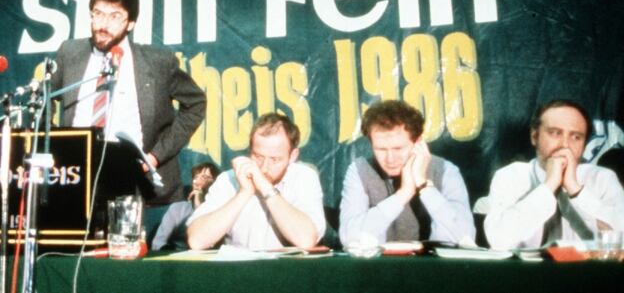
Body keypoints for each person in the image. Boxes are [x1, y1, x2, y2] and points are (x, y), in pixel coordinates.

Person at [52, 0, 206, 206]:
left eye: (115, 16)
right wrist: (58, 149)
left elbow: (195, 104)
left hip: (137, 182)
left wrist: (155, 156)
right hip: (78, 179)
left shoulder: (158, 62)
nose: (103, 24)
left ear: (131, 23)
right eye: (98, 13)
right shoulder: (70, 52)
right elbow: (44, 100)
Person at [484, 99, 624, 249]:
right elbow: (498, 240)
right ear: (534, 136)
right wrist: (549, 186)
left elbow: (621, 239)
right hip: (527, 272)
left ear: (584, 145)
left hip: (586, 271)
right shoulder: (510, 176)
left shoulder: (602, 179)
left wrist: (576, 190)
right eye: (555, 133)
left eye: (576, 137)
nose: (565, 144)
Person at [338, 100, 475, 247]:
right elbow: (349, 238)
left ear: (418, 143)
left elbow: (464, 237)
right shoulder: (359, 171)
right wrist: (403, 194)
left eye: (398, 149)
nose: (390, 159)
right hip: (379, 267)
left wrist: (424, 186)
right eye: (381, 149)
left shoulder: (446, 170)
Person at [186, 113, 326, 250]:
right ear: (250, 151)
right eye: (258, 156)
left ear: (292, 156)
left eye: (274, 159)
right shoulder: (229, 179)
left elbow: (306, 240)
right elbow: (196, 241)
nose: (264, 168)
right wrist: (244, 192)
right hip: (239, 271)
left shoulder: (304, 177)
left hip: (286, 271)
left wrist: (266, 188)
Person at [151, 161, 220, 250]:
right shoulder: (177, 209)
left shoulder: (220, 209)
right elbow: (157, 243)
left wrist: (198, 206)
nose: (197, 181)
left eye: (205, 177)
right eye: (195, 177)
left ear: (215, 183)